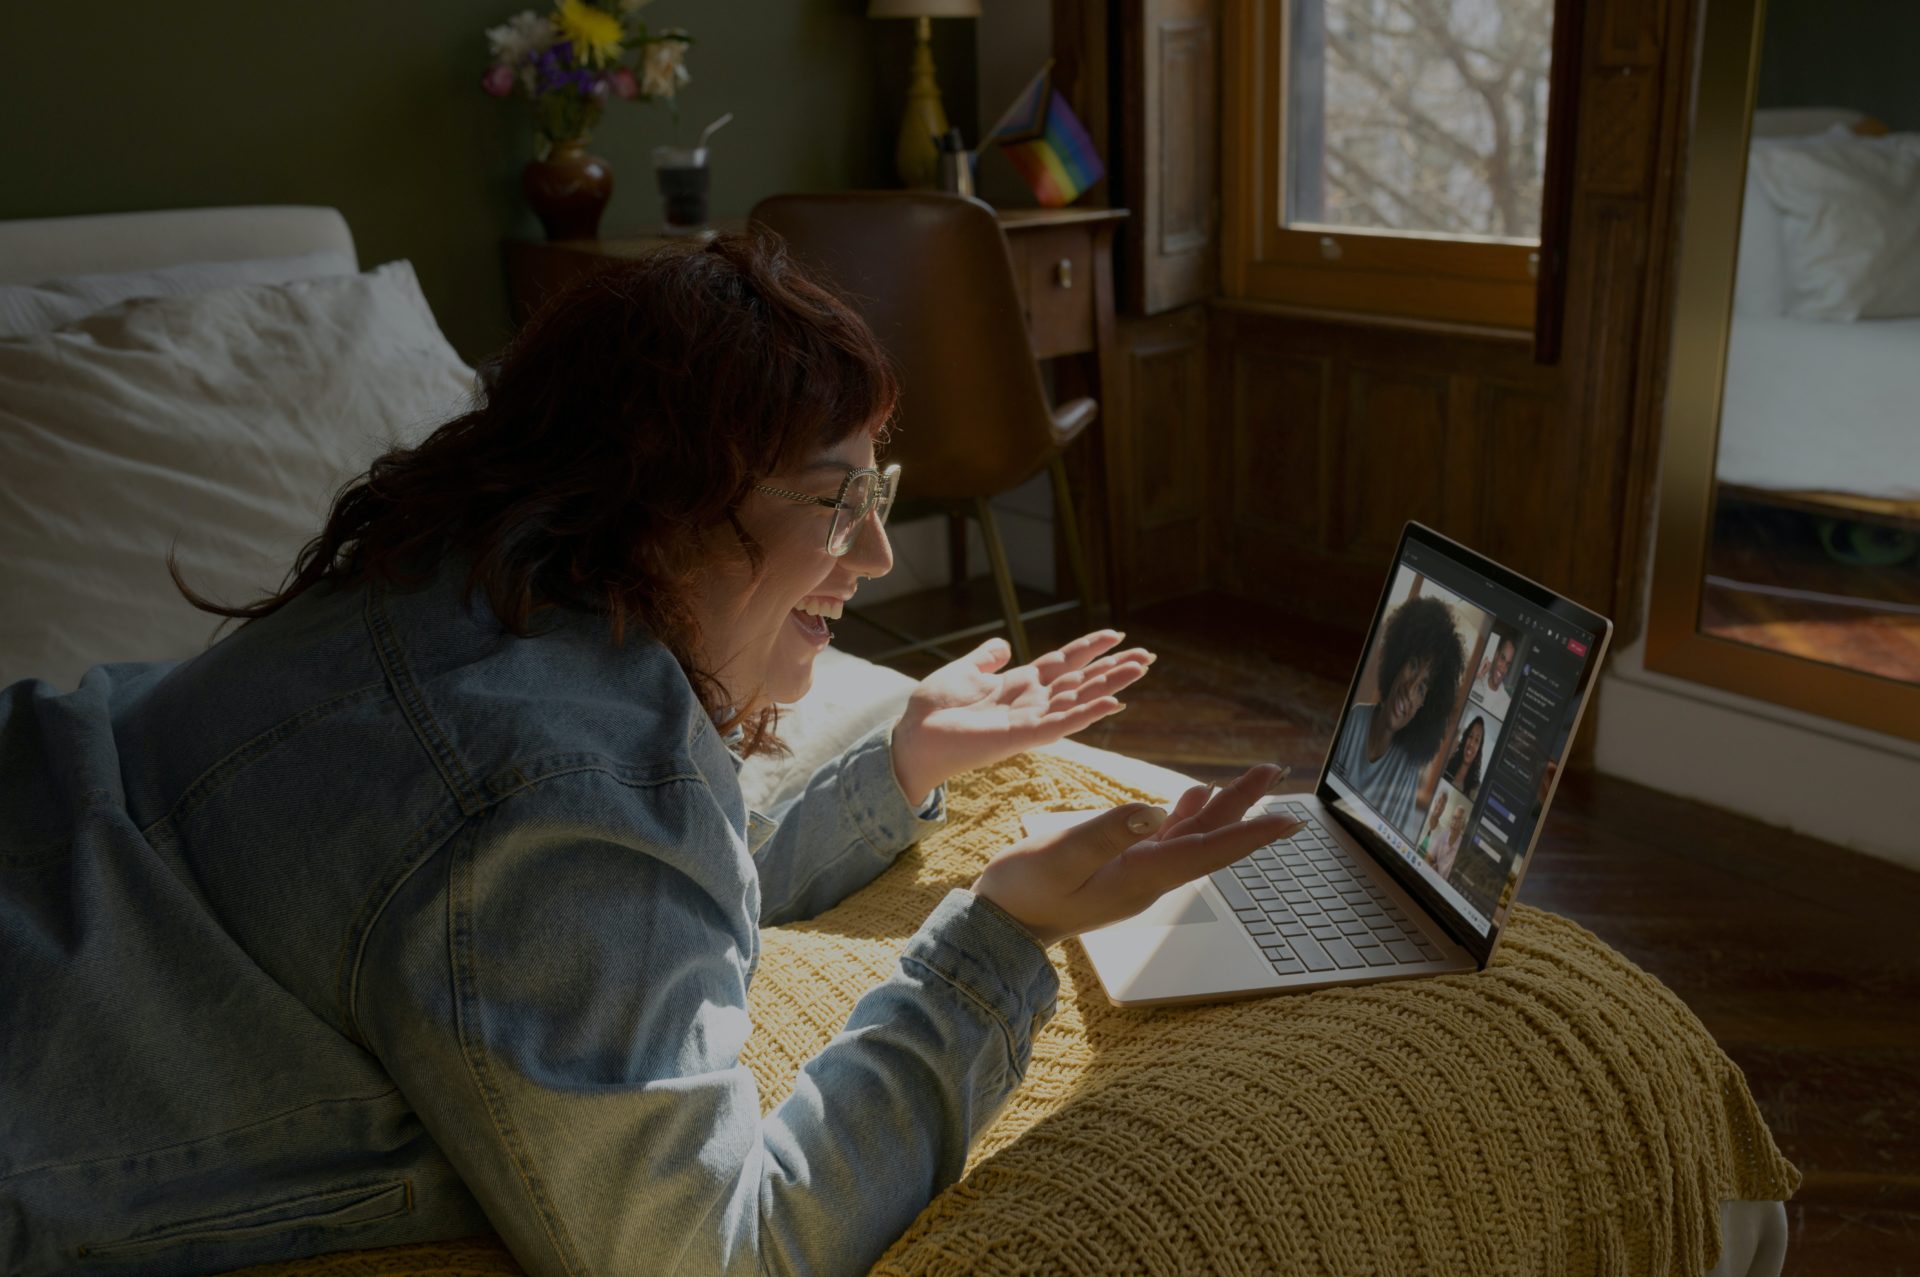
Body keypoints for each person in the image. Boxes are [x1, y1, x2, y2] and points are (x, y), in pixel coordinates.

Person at [0, 233, 1302, 1277]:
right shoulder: (560, 795)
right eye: (837, 501)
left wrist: (896, 767)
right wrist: (1002, 931)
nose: (879, 555)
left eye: (878, 493)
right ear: (669, 495)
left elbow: (581, 910)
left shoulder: (451, 577)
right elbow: (716, 1251)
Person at [1329, 595, 1466, 837]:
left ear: (1425, 705)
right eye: (1413, 665)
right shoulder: (1355, 719)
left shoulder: (1406, 771)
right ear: (1398, 660)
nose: (1411, 689)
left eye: (1423, 687)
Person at [1471, 632, 1518, 719]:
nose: (1503, 668)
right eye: (1502, 658)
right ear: (1496, 655)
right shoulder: (1475, 681)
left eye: (1507, 664)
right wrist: (1474, 678)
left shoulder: (1507, 704)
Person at [1442, 715, 1487, 798]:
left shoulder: (1475, 788)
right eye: (1470, 736)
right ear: (1465, 738)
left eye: (1477, 740)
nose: (1471, 744)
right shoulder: (1448, 764)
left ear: (1479, 749)